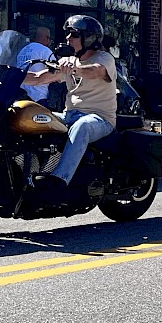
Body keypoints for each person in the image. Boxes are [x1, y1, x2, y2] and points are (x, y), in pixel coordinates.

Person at [24, 15, 117, 193]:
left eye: (73, 35)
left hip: (100, 119)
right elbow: (38, 78)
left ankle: (59, 180)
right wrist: (3, 75)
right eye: (67, 34)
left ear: (88, 38)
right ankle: (30, 172)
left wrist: (73, 68)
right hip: (69, 115)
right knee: (34, 117)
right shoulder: (69, 62)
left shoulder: (104, 58)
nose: (67, 39)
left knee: (82, 126)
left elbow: (95, 72)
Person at [16, 27, 55, 108]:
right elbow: (55, 71)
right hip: (39, 97)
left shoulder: (23, 50)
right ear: (47, 38)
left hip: (20, 95)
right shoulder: (45, 51)